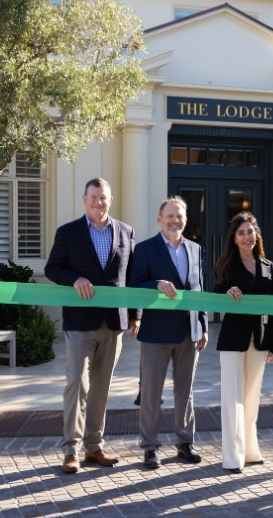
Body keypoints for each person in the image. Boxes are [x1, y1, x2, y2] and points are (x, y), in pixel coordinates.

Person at [45, 177, 141, 474]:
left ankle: (94, 447)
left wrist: (136, 314)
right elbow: (52, 268)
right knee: (78, 383)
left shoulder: (126, 232)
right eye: (94, 197)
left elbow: (133, 277)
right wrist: (74, 279)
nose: (99, 202)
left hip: (114, 323)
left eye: (104, 197)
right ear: (85, 200)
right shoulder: (68, 232)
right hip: (80, 323)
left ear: (110, 200)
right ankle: (70, 451)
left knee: (101, 387)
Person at [129, 197, 208, 469]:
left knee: (185, 392)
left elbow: (199, 289)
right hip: (156, 331)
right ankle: (150, 446)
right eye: (170, 216)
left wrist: (204, 324)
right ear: (159, 219)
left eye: (180, 216)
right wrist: (156, 284)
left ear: (185, 219)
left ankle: (185, 442)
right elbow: (134, 285)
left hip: (189, 330)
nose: (175, 221)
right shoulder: (145, 249)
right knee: (151, 392)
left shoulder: (195, 249)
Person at [215, 212, 273, 473]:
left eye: (250, 232)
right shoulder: (226, 264)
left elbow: (272, 305)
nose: (246, 237)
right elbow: (216, 293)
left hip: (259, 338)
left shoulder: (268, 265)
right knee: (232, 397)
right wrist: (227, 290)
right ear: (234, 237)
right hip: (233, 337)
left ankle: (250, 450)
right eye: (241, 233)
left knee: (252, 397)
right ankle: (232, 456)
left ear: (257, 235)